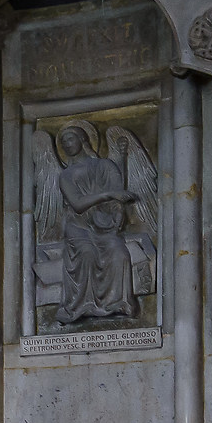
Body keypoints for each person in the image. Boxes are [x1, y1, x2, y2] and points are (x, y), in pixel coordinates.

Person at [55, 124, 136, 324]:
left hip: (104, 226)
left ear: (83, 141)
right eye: (63, 142)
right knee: (87, 254)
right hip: (78, 227)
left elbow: (117, 198)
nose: (66, 144)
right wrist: (107, 195)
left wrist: (117, 212)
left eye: (70, 139)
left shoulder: (106, 166)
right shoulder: (65, 175)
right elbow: (78, 204)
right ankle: (81, 306)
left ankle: (117, 303)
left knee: (120, 254)